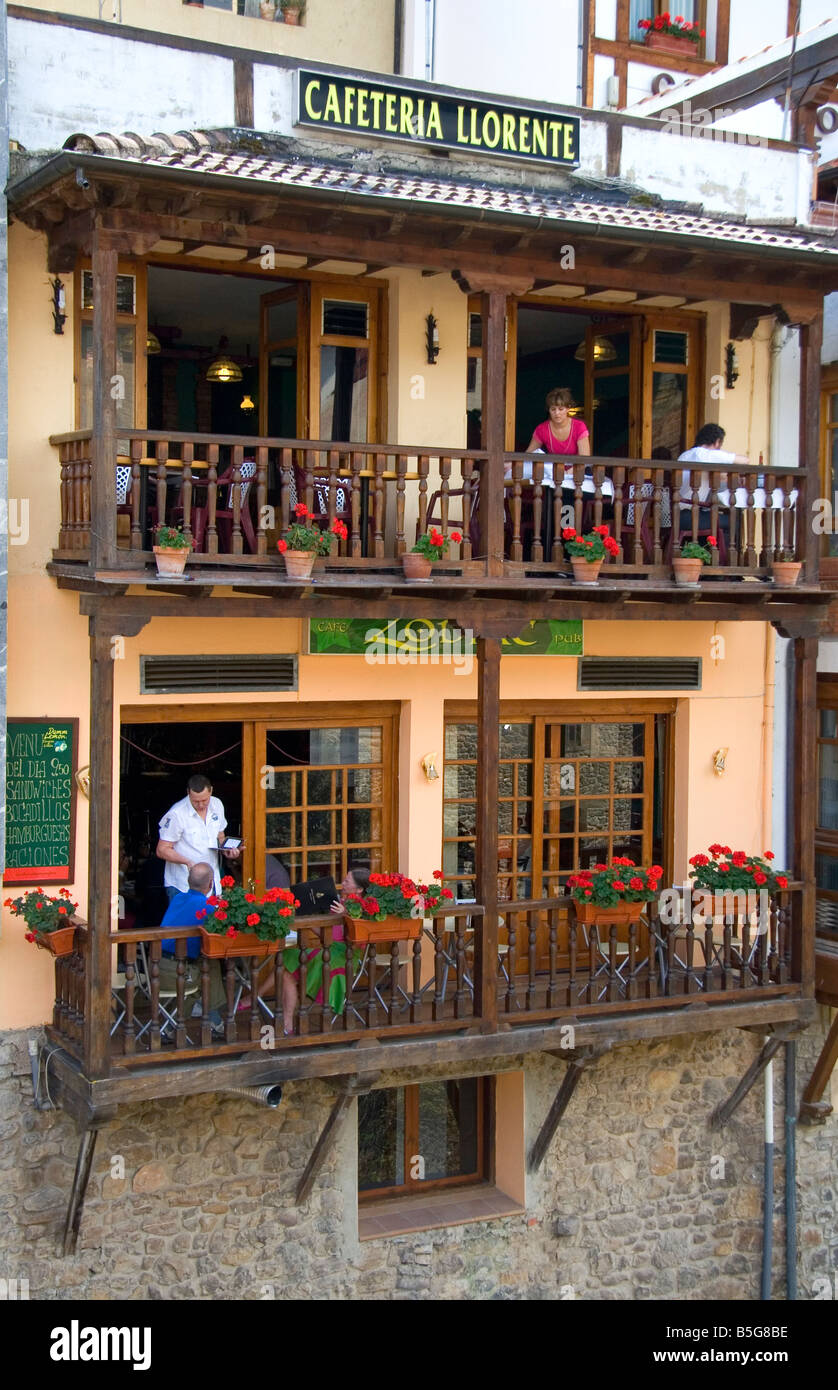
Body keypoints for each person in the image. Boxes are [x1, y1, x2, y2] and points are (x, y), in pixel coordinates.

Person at [158, 861, 226, 1023]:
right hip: (176, 972)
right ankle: (174, 1025)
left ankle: (214, 1019)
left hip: (155, 966)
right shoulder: (207, 908)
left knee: (209, 966)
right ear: (211, 884)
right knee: (208, 972)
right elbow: (221, 936)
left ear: (189, 881)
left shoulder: (178, 899)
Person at [156, 773, 240, 900]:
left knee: (211, 919)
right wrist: (187, 862)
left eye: (204, 800)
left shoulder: (217, 804)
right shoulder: (176, 813)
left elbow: (220, 835)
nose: (200, 805)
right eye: (195, 801)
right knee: (187, 920)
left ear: (211, 790)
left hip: (211, 881)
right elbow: (162, 850)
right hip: (183, 884)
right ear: (188, 792)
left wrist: (227, 850)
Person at [677, 423, 749, 523]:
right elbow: (745, 460)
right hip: (690, 514)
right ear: (717, 442)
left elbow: (718, 478)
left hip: (678, 512)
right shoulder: (707, 454)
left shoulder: (685, 455)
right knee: (733, 522)